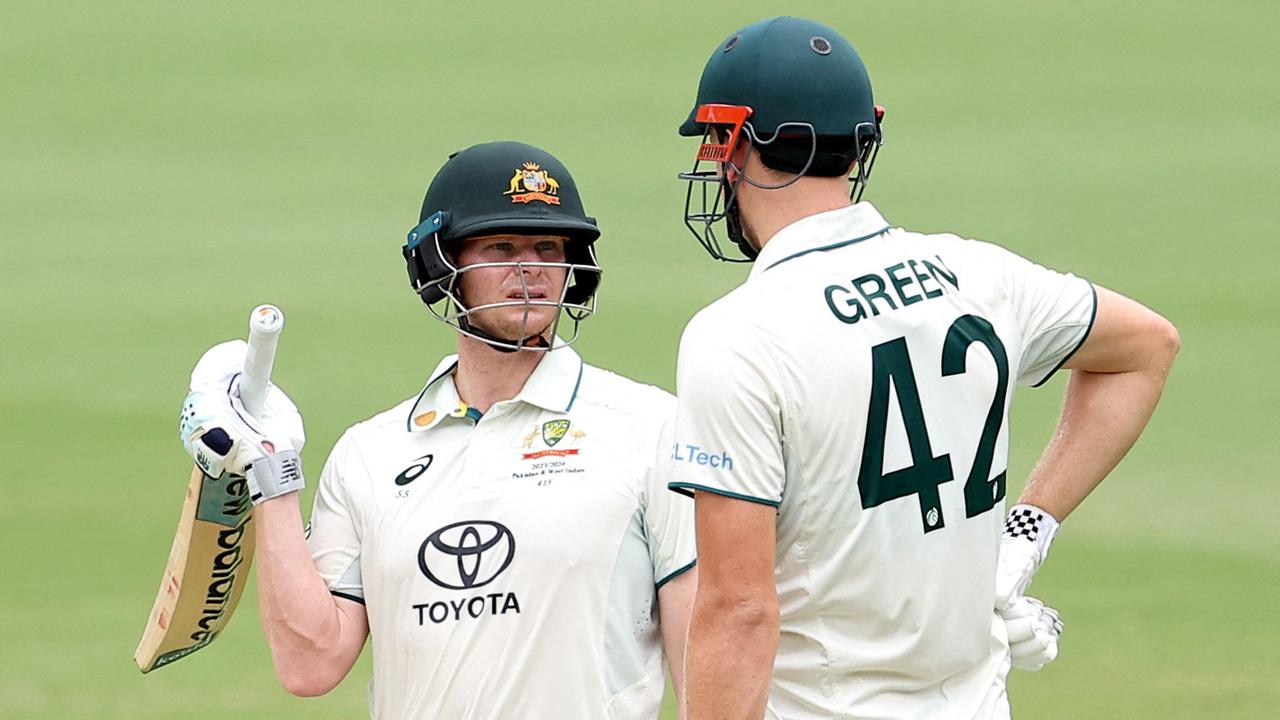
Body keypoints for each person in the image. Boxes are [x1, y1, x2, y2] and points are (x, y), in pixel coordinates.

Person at [667, 16, 1179, 720]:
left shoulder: (737, 337)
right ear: (863, 139)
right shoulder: (975, 271)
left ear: (733, 143)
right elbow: (1147, 348)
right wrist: (1026, 532)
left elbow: (740, 610)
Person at [178, 141, 697, 719]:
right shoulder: (369, 455)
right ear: (439, 264)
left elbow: (706, 656)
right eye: (501, 246)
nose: (530, 269)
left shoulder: (651, 428)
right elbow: (309, 663)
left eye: (548, 247)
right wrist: (270, 472)